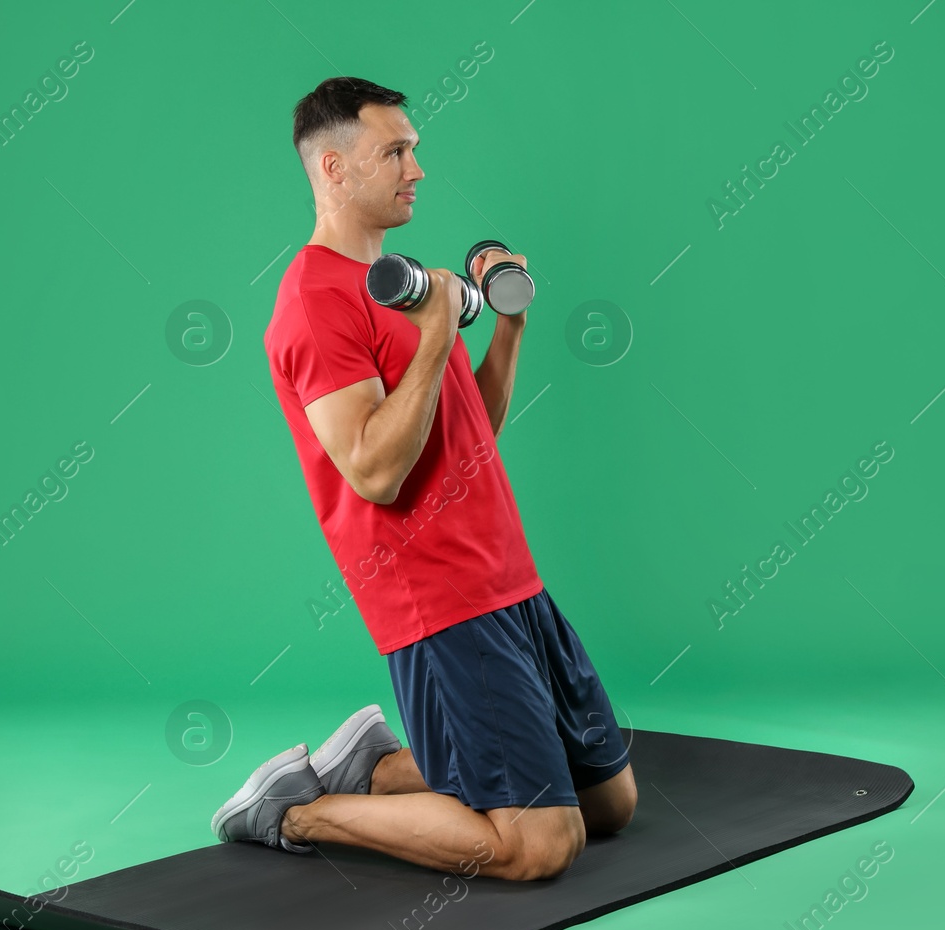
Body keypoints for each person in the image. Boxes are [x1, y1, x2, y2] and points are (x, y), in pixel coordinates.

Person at [211, 76, 635, 882]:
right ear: (333, 169)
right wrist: (438, 330)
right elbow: (373, 469)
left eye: (414, 149)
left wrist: (507, 328)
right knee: (542, 845)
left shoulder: (399, 288)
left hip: (510, 576)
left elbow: (470, 435)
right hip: (440, 600)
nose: (418, 168)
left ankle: (372, 764)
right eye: (396, 151)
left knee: (610, 803)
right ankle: (292, 811)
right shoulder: (312, 302)